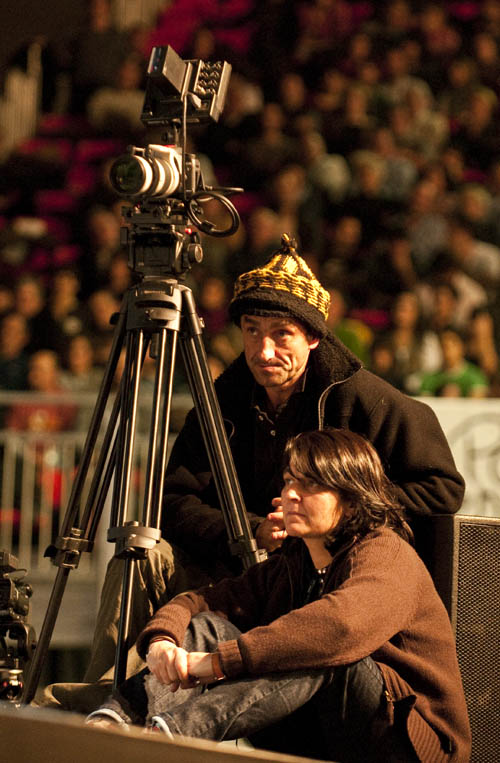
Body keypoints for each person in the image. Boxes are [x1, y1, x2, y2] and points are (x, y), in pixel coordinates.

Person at [40, 235, 464, 712]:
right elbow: (172, 501)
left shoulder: (363, 397)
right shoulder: (222, 399)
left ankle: (114, 706)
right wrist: (251, 529)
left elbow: (442, 489)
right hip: (232, 563)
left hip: (317, 575)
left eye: (282, 334)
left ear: (313, 337)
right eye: (251, 330)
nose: (264, 350)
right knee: (139, 556)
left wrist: (333, 515)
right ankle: (108, 694)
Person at [86, 429, 471, 763]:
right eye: (288, 481)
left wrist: (219, 663)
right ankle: (110, 724)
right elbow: (201, 601)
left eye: (310, 485)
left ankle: (166, 738)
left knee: (319, 648)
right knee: (210, 625)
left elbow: (339, 628)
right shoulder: (292, 563)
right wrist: (162, 642)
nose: (291, 494)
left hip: (407, 741)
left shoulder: (386, 552)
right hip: (317, 728)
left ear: (352, 498)